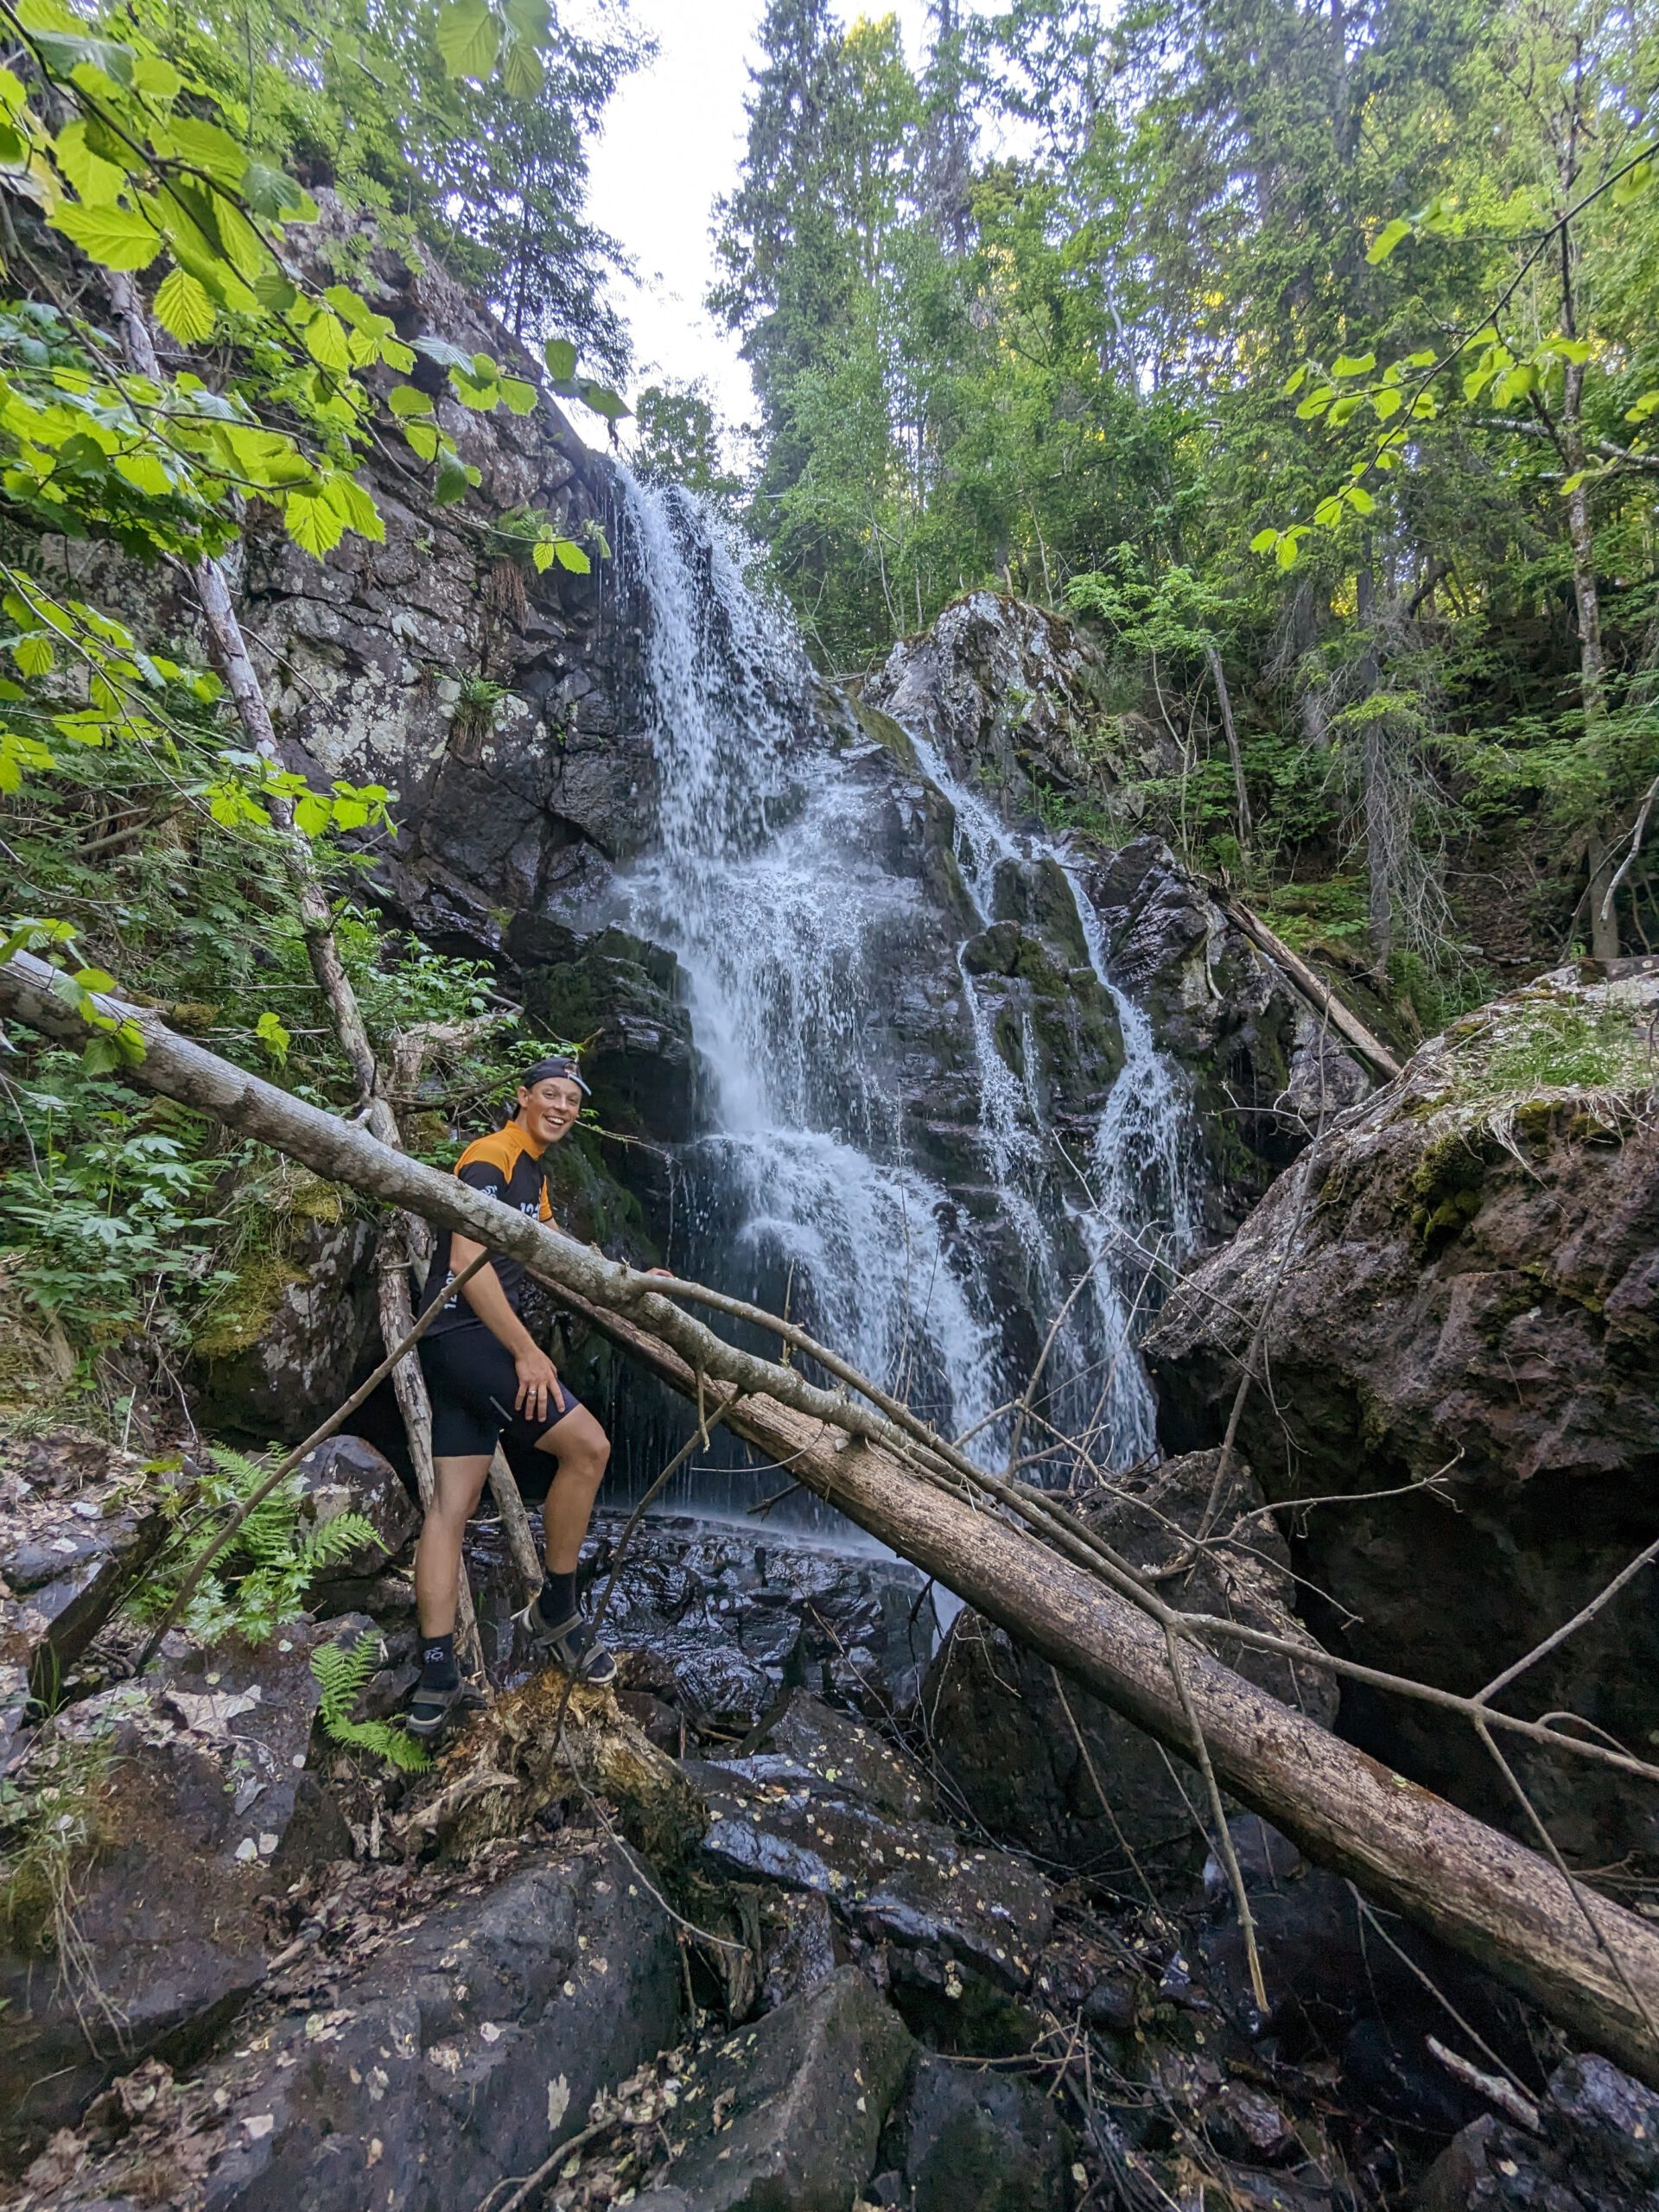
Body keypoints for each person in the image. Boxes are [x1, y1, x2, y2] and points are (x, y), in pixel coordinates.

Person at [407, 1053, 615, 1739]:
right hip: (472, 1340)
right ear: (522, 1097)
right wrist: (526, 1351)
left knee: (451, 1508)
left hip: (455, 1347)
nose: (561, 1108)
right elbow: (466, 1260)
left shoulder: (533, 1174)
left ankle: (436, 1675)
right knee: (588, 1449)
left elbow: (558, 1247)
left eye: (572, 1102)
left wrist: (633, 1278)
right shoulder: (489, 1156)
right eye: (550, 1095)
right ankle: (557, 1609)